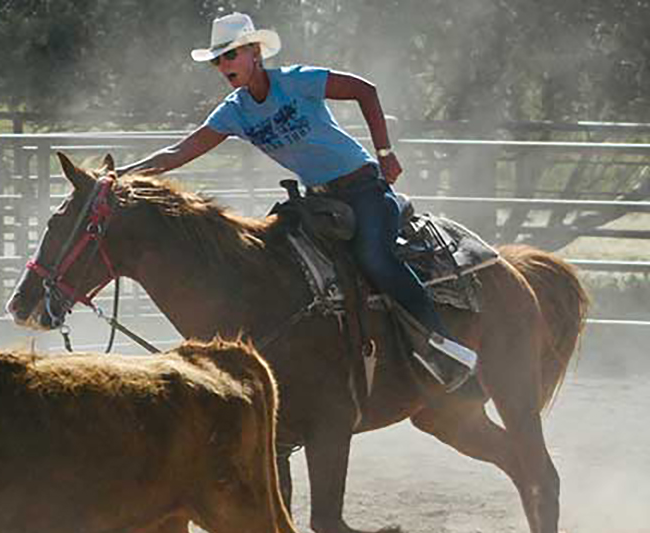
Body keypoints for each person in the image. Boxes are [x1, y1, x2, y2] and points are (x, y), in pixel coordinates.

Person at [115, 11, 477, 388]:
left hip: (363, 187)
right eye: (219, 59)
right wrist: (121, 177)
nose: (224, 65)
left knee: (375, 258)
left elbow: (364, 90)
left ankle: (443, 347)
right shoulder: (234, 112)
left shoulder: (295, 81)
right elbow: (178, 152)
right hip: (317, 200)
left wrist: (385, 153)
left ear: (255, 52)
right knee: (274, 259)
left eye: (231, 55)